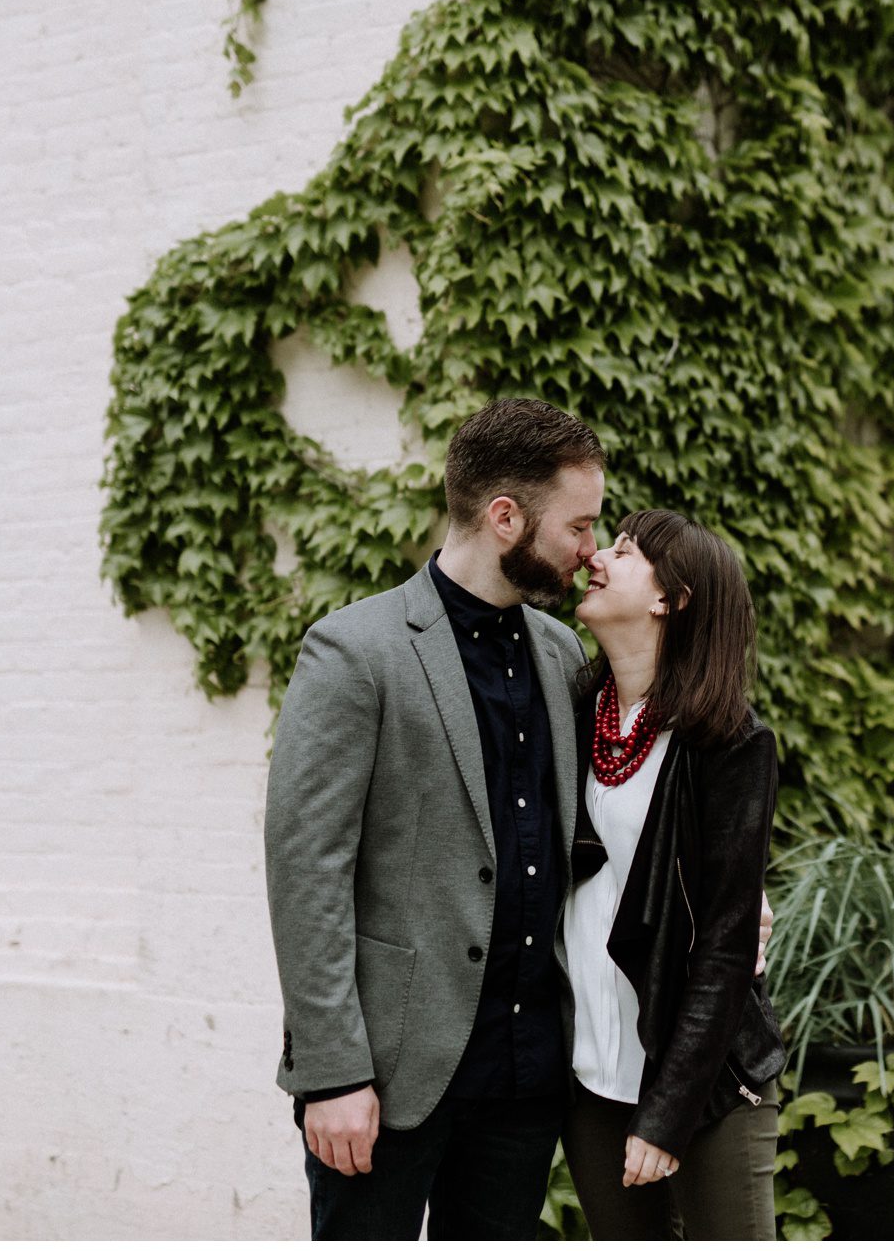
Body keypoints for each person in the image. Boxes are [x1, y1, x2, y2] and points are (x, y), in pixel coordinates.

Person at [263, 399, 769, 1240]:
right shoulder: (356, 652)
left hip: (530, 1078)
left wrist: (731, 895)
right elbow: (305, 869)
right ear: (505, 518)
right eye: (579, 526)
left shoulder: (563, 654)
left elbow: (632, 814)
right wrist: (330, 1073)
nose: (588, 550)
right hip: (390, 1077)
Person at [560, 509, 786, 1239]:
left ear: (671, 598)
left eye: (623, 551)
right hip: (591, 1073)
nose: (597, 556)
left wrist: (665, 1116)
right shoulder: (568, 712)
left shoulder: (729, 745)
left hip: (706, 1082)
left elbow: (725, 947)